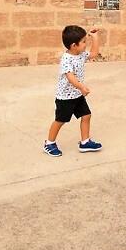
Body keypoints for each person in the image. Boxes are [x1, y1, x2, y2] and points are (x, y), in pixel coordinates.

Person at [43, 25, 103, 156]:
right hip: (65, 97)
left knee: (86, 115)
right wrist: (82, 87)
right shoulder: (66, 59)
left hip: (77, 95)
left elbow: (94, 54)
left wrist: (95, 38)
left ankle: (85, 142)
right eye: (83, 42)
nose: (85, 45)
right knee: (60, 120)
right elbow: (70, 77)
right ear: (73, 45)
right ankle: (49, 143)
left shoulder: (80, 54)